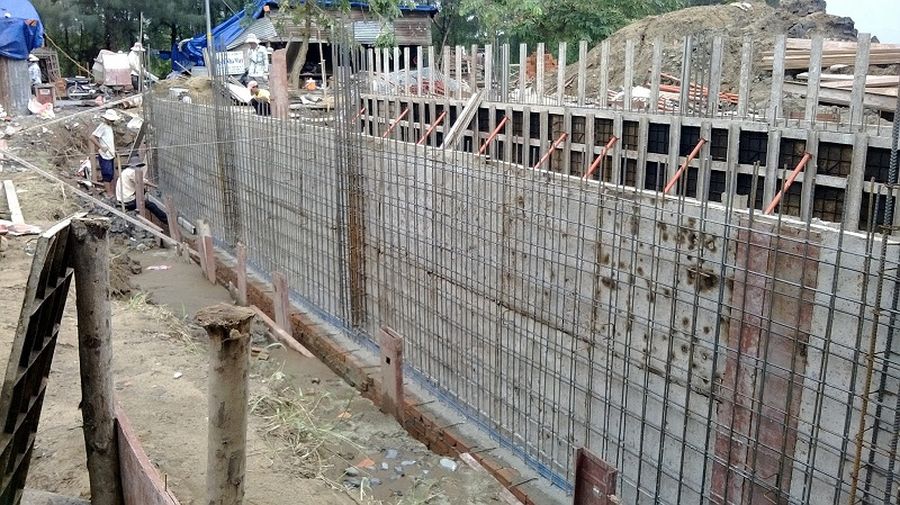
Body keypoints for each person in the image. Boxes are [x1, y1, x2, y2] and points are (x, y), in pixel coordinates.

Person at [116, 159, 168, 224]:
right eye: (138, 166)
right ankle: (166, 220)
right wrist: (155, 186)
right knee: (151, 205)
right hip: (128, 201)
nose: (139, 168)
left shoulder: (125, 172)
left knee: (143, 192)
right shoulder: (131, 172)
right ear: (134, 166)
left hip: (122, 199)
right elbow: (142, 181)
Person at [90, 110, 120, 196]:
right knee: (107, 174)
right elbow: (92, 137)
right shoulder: (102, 126)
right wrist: (101, 147)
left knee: (111, 174)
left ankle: (111, 190)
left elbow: (109, 141)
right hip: (105, 155)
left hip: (110, 154)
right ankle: (109, 192)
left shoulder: (109, 127)